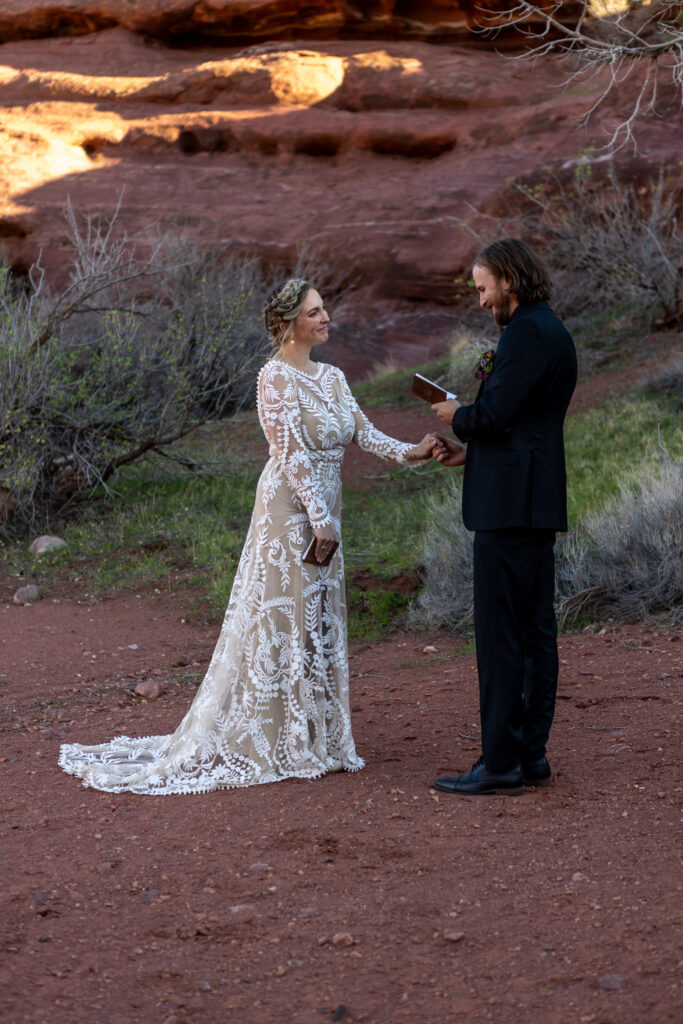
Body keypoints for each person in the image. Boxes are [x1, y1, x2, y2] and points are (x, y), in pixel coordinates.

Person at [59, 279, 435, 794]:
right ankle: (275, 739)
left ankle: (315, 736)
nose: (326, 318)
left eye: (325, 309)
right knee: (284, 615)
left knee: (318, 616)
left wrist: (413, 450)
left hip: (327, 512)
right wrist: (321, 518)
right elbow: (291, 457)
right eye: (314, 312)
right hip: (289, 511)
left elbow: (363, 433)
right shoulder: (273, 380)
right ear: (288, 325)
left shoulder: (333, 377)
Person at [430, 238, 577, 796]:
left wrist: (456, 414)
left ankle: (500, 763)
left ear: (509, 281)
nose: (480, 298)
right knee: (536, 632)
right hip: (531, 500)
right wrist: (472, 452)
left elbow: (492, 414)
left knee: (502, 639)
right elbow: (526, 424)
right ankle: (530, 755)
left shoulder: (526, 334)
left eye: (483, 286)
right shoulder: (549, 330)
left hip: (510, 509)